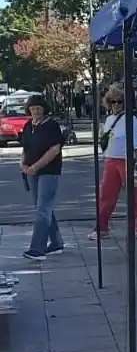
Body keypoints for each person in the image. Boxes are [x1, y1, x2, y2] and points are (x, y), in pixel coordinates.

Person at [91, 84, 137, 241]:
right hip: (110, 159)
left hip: (126, 159)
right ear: (108, 103)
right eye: (113, 102)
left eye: (119, 101)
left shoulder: (131, 119)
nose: (116, 105)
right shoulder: (109, 119)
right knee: (106, 195)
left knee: (136, 195)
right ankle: (102, 228)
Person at [18, 94, 67, 261]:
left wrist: (36, 166)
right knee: (43, 208)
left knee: (43, 209)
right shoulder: (28, 126)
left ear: (44, 109)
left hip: (49, 171)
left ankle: (37, 249)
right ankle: (56, 242)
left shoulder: (51, 125)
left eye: (39, 108)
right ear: (29, 110)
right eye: (33, 108)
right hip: (32, 172)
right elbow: (25, 148)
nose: (36, 111)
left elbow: (55, 149)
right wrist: (23, 165)